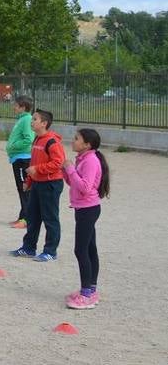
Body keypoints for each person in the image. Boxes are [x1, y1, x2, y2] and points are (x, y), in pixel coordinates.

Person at [63, 128, 111, 310]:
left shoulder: (90, 161)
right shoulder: (83, 159)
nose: (73, 141)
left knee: (81, 250)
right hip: (83, 208)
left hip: (88, 209)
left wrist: (70, 169)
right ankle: (90, 289)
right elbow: (74, 183)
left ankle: (86, 294)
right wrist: (66, 171)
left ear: (87, 144)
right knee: (90, 248)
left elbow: (84, 187)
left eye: (77, 139)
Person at [11, 110, 65, 262]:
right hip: (37, 183)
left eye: (35, 119)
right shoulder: (37, 140)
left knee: (50, 218)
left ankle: (50, 251)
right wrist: (29, 181)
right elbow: (33, 163)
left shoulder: (52, 141)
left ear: (44, 123)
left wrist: (37, 170)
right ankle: (28, 248)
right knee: (32, 217)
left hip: (50, 184)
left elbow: (58, 163)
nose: (31, 121)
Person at [6, 97, 36, 229]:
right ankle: (22, 216)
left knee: (25, 188)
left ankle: (27, 219)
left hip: (23, 158)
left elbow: (29, 139)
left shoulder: (27, 119)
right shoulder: (21, 119)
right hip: (17, 158)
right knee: (21, 188)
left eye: (16, 106)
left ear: (23, 107)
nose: (14, 108)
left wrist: (13, 146)